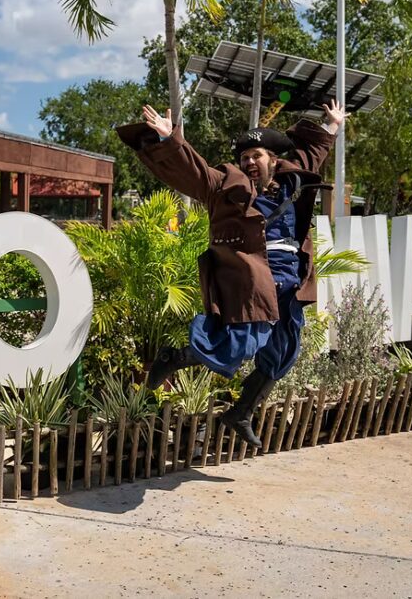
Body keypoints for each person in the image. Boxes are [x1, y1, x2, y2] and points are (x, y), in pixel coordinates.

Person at [115, 100, 346, 448]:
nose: (249, 162)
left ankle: (240, 413)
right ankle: (173, 358)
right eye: (244, 158)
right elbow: (192, 171)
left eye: (256, 155)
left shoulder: (292, 179)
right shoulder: (224, 184)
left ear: (272, 158)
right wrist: (169, 140)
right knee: (240, 345)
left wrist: (331, 127)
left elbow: (313, 154)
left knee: (283, 352)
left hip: (290, 285)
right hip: (253, 283)